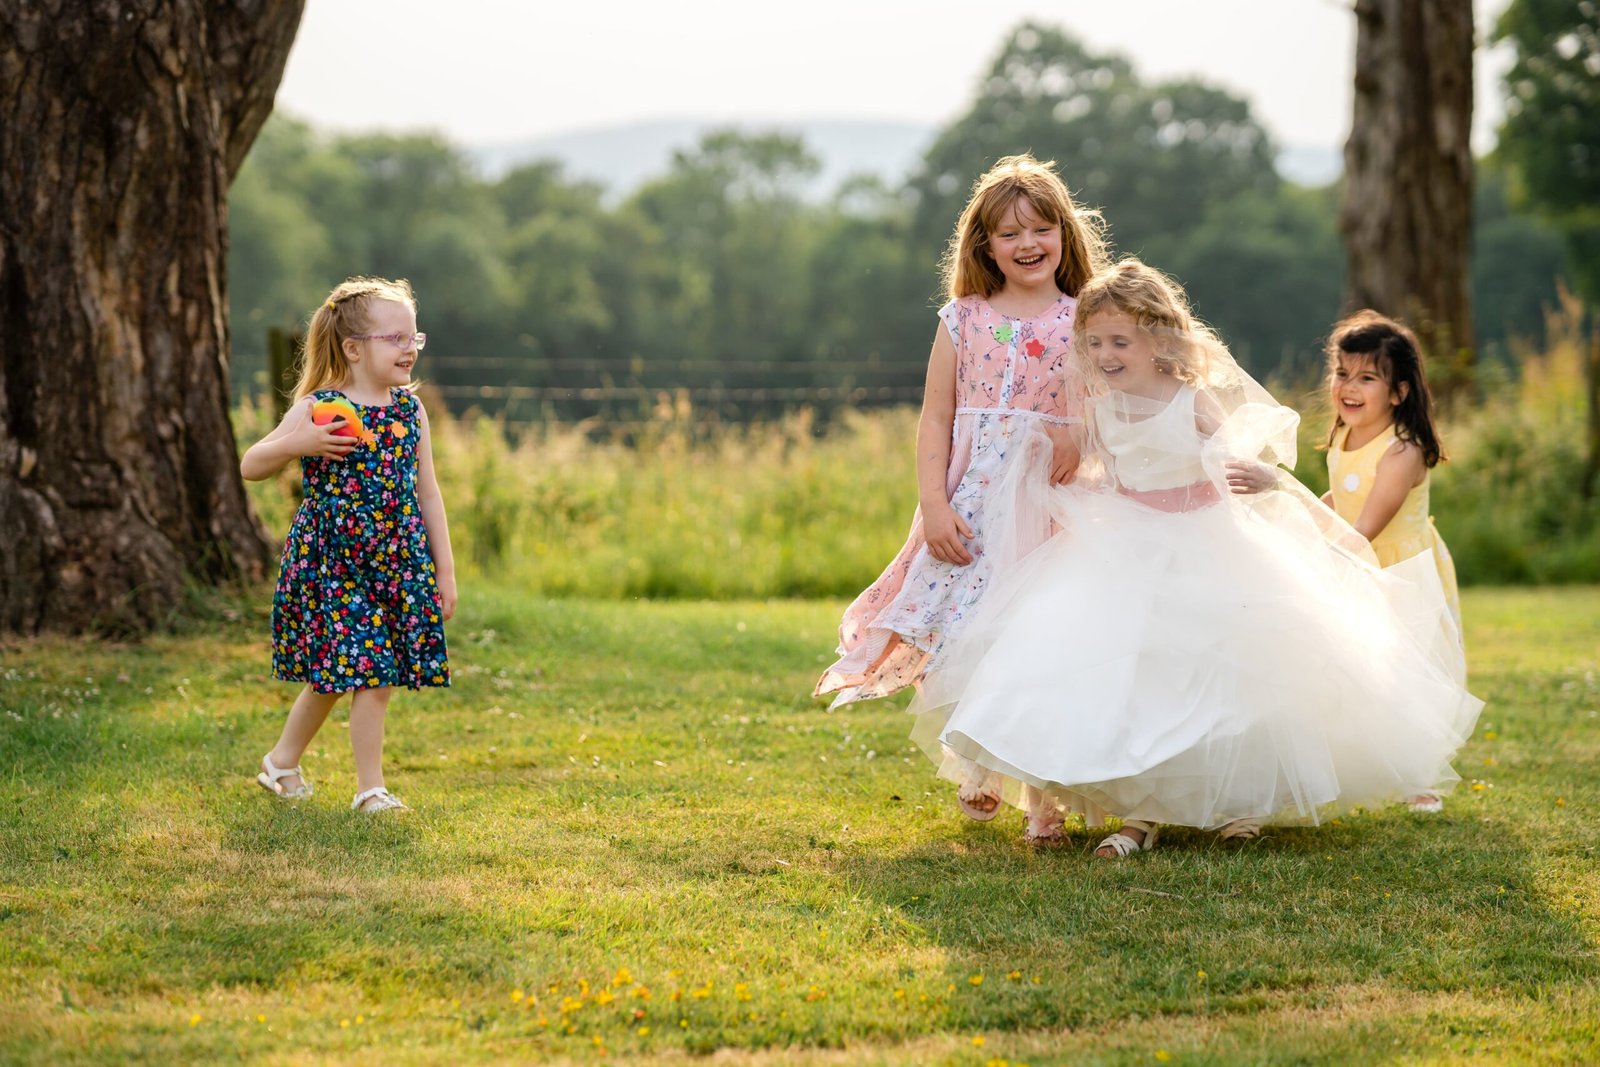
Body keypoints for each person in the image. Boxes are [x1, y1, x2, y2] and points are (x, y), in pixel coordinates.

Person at [911, 259, 1482, 854]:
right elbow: (1103, 470)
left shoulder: (1190, 399)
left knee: (1224, 677)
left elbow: (1230, 455)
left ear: (1158, 341)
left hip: (1202, 539)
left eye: (1120, 341)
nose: (1105, 354)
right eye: (1095, 342)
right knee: (1131, 673)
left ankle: (1239, 800)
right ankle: (1140, 811)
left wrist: (1258, 476)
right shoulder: (1100, 407)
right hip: (1126, 544)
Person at [813, 154, 1107, 837]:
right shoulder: (963, 319)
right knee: (969, 636)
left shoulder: (1082, 318)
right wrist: (934, 507)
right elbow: (936, 419)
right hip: (971, 505)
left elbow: (1107, 399)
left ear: (1064, 234)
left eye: (1041, 228)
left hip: (1048, 505)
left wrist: (1077, 434)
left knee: (1038, 637)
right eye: (1010, 233)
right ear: (985, 245)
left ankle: (1044, 805)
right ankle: (977, 763)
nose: (1028, 243)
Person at [241, 277, 455, 814]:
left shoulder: (410, 411)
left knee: (339, 675)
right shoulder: (321, 408)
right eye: (395, 338)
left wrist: (444, 573)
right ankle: (370, 790)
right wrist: (300, 443)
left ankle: (281, 762)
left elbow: (428, 493)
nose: (409, 348)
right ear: (353, 348)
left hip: (396, 564)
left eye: (413, 337)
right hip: (333, 564)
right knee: (369, 671)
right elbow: (251, 465)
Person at [1323, 310, 1462, 813]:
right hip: (1357, 561)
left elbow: (1365, 527)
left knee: (1409, 669)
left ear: (1399, 392)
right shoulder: (1343, 438)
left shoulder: (1402, 450)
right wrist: (1297, 517)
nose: (1348, 387)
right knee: (1358, 664)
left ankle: (1421, 778)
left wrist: (1291, 502)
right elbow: (1341, 499)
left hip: (1400, 569)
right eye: (1342, 373)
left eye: (1367, 378)